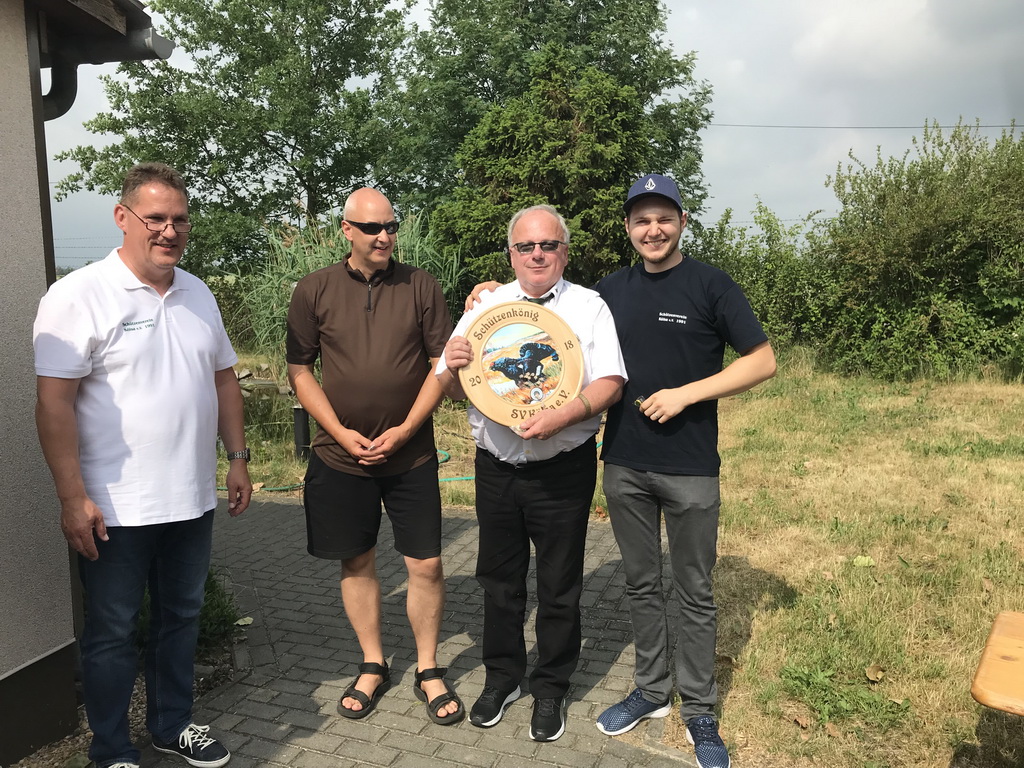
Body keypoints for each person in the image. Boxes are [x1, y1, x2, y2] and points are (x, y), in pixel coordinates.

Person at [33, 162, 252, 768]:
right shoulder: (78, 295)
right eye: (155, 218)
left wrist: (237, 458)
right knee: (112, 632)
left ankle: (171, 726)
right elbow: (53, 405)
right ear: (122, 217)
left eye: (179, 219)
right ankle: (111, 749)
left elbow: (224, 380)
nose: (169, 231)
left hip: (191, 498)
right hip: (114, 506)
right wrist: (71, 496)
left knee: (180, 619)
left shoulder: (197, 292)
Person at [592, 174, 777, 768]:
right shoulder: (608, 291)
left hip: (691, 467)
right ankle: (650, 691)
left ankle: (699, 708)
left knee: (694, 590)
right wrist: (493, 295)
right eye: (642, 220)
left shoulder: (711, 285)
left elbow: (762, 361)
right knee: (641, 584)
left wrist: (687, 394)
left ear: (682, 222)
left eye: (663, 219)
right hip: (623, 463)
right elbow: (553, 323)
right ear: (628, 227)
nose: (653, 230)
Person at [436, 204, 627, 742]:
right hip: (495, 469)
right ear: (511, 253)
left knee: (560, 585)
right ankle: (502, 678)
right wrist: (451, 363)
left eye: (548, 245)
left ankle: (550, 687)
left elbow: (611, 382)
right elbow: (451, 388)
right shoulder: (485, 307)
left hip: (562, 470)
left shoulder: (589, 306)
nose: (537, 254)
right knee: (498, 582)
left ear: (564, 252)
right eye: (526, 246)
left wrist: (564, 415)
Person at [285, 188, 463, 726]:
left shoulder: (421, 285)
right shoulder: (314, 288)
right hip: (340, 456)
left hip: (412, 456)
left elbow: (442, 365)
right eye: (372, 228)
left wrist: (407, 430)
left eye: (391, 226)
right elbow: (299, 371)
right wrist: (338, 432)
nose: (384, 236)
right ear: (346, 230)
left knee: (426, 564)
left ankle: (428, 668)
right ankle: (373, 663)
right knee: (357, 560)